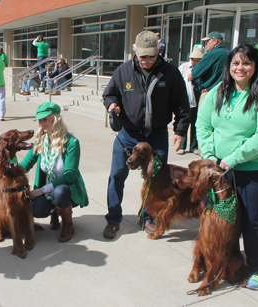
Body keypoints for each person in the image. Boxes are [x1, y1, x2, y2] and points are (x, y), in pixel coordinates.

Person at [196, 43, 258, 291]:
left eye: (246, 63)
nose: (240, 67)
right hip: (218, 168)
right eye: (236, 63)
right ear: (229, 66)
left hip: (251, 169)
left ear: (255, 66)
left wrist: (232, 158)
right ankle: (222, 261)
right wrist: (210, 153)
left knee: (250, 220)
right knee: (218, 219)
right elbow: (203, 124)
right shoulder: (218, 91)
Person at [102, 30, 190, 239]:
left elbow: (182, 105)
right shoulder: (123, 71)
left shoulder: (170, 73)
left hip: (157, 135)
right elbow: (109, 93)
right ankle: (113, 219)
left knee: (156, 181)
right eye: (143, 56)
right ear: (136, 52)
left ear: (159, 51)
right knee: (116, 176)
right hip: (128, 135)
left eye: (151, 55)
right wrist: (111, 104)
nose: (147, 60)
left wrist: (180, 131)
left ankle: (147, 217)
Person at [19, 102, 88, 242]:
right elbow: (25, 165)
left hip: (66, 190)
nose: (41, 123)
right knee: (37, 209)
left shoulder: (71, 142)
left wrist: (42, 190)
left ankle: (68, 225)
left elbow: (70, 176)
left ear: (55, 119)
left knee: (59, 193)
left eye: (45, 119)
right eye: (40, 120)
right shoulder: (40, 141)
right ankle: (55, 213)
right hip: (48, 190)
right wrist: (6, 169)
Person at [192, 31, 230, 106]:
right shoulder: (230, 54)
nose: (205, 45)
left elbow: (195, 73)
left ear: (215, 41)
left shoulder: (211, 54)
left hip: (209, 94)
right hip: (226, 94)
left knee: (203, 117)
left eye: (207, 42)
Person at [178, 48, 204, 155]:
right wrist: (186, 77)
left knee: (196, 123)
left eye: (199, 60)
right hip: (186, 98)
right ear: (191, 59)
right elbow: (178, 80)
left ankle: (194, 146)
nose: (197, 62)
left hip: (198, 96)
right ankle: (182, 146)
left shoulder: (203, 67)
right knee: (185, 122)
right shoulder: (184, 66)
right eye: (195, 60)